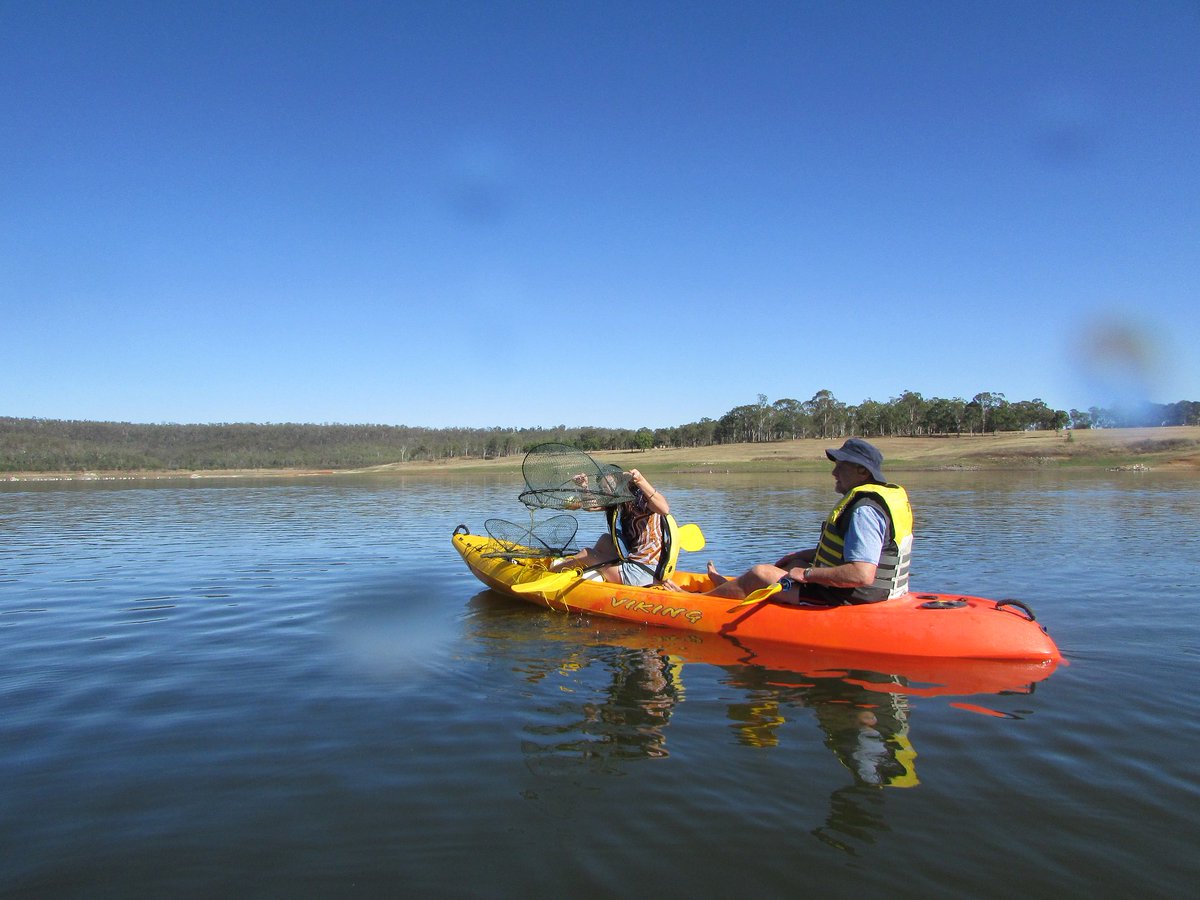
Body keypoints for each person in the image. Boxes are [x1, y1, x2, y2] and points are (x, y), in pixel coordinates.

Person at [706, 438, 913, 605]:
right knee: (793, 563)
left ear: (863, 472)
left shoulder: (864, 510)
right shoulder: (877, 501)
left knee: (760, 573)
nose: (834, 472)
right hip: (877, 592)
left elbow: (861, 574)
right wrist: (800, 557)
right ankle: (728, 589)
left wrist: (807, 574)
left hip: (851, 597)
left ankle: (699, 602)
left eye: (841, 467)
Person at [550, 468, 673, 586]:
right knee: (605, 540)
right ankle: (586, 570)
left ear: (620, 483)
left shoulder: (640, 499)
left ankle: (551, 573)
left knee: (586, 553)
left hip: (641, 572)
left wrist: (640, 480)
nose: (607, 491)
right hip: (641, 566)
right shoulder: (618, 501)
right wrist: (584, 487)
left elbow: (664, 508)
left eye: (610, 485)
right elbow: (589, 506)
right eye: (603, 488)